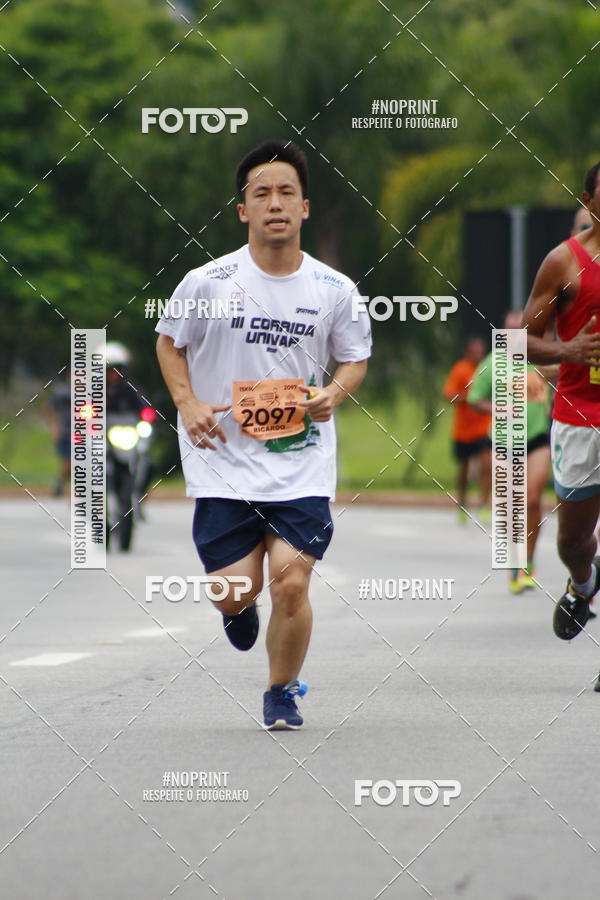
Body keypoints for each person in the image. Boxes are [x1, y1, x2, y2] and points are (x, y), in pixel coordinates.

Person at [155, 140, 371, 729]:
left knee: (293, 582)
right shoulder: (208, 281)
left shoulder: (335, 290)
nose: (275, 203)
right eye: (261, 194)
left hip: (299, 460)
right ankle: (236, 609)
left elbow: (354, 358)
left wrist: (334, 393)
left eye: (286, 193)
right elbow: (169, 343)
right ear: (243, 210)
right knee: (233, 592)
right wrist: (188, 401)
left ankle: (282, 691)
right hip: (222, 459)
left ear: (305, 208)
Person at [523, 162, 600, 662]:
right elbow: (520, 340)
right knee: (574, 540)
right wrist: (569, 351)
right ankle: (582, 583)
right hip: (580, 420)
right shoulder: (564, 263)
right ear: (589, 201)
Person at [468, 311, 552, 594]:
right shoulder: (493, 364)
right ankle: (515, 564)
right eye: (510, 331)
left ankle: (529, 561)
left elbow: (567, 374)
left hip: (537, 439)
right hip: (503, 442)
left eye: (521, 331)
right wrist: (496, 408)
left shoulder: (540, 361)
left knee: (532, 499)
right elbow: (473, 398)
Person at [442, 337, 492, 524]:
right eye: (475, 351)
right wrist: (468, 398)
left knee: (487, 464)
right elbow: (448, 394)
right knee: (463, 469)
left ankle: (484, 504)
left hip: (484, 427)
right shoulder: (460, 369)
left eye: (481, 351)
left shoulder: (487, 369)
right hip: (463, 430)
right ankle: (462, 502)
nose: (478, 354)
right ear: (467, 352)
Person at [46, 368, 71, 497]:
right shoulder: (61, 392)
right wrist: (54, 426)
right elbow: (49, 408)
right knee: (68, 460)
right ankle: (59, 485)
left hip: (85, 432)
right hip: (66, 431)